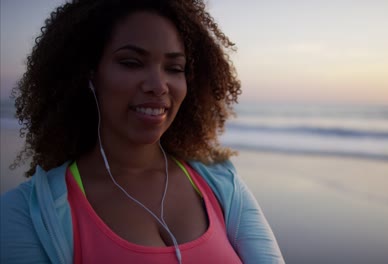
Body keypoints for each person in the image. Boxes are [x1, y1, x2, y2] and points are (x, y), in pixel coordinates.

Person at [0, 0, 284, 263]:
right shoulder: (25, 213)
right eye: (131, 62)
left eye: (174, 68)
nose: (158, 85)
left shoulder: (223, 184)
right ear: (89, 75)